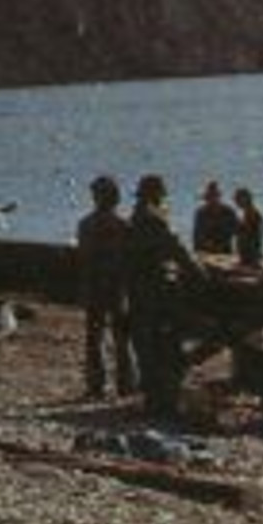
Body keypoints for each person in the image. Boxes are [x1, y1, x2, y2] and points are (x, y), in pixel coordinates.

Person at [126, 174, 206, 420]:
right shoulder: (155, 219)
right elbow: (177, 248)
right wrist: (200, 273)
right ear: (157, 195)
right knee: (165, 342)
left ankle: (153, 396)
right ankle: (164, 399)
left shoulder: (134, 218)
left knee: (145, 343)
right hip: (154, 289)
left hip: (137, 288)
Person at [76, 175, 135, 400]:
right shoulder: (123, 226)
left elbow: (83, 257)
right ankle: (125, 384)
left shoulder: (85, 225)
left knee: (94, 337)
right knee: (121, 337)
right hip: (115, 286)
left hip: (94, 285)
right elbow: (129, 259)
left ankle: (95, 385)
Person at [192, 180, 240, 256]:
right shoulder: (201, 213)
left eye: (214, 196)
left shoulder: (229, 212)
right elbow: (197, 236)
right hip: (206, 250)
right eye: (209, 197)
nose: (211, 200)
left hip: (225, 250)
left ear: (218, 197)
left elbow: (238, 231)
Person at [232, 186, 263, 268]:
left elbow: (251, 237)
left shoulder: (252, 213)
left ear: (245, 199)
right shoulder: (248, 213)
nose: (236, 202)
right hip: (248, 256)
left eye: (238, 199)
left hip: (250, 257)